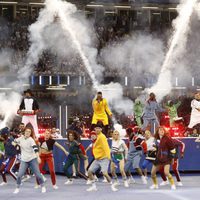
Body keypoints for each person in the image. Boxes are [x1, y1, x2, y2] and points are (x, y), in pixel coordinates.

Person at [12, 126, 46, 194]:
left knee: (38, 175)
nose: (28, 133)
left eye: (29, 132)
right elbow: (13, 142)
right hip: (24, 160)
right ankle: (17, 188)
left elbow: (35, 149)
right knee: (19, 175)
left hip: (32, 159)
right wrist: (16, 145)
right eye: (27, 131)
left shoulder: (31, 140)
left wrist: (38, 157)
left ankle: (43, 186)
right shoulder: (20, 138)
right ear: (24, 132)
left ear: (31, 133)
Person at [86, 122, 118, 192]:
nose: (97, 129)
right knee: (89, 171)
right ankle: (94, 186)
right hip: (97, 159)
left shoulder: (102, 137)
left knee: (104, 173)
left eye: (99, 128)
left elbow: (106, 147)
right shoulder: (96, 136)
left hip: (104, 158)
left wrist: (109, 158)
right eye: (96, 128)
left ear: (101, 129)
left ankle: (112, 186)